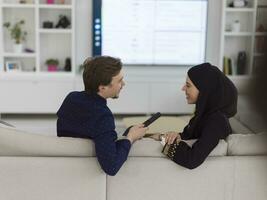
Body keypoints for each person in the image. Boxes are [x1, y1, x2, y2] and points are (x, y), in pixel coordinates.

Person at [57, 56, 148, 176]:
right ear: (102, 87)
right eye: (120, 81)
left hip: (66, 165)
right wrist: (130, 138)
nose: (124, 84)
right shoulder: (103, 116)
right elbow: (111, 167)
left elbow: (92, 131)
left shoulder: (71, 97)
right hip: (86, 174)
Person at [160, 63, 238, 169]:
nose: (183, 88)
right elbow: (188, 136)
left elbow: (191, 160)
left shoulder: (216, 121)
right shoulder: (205, 116)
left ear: (204, 90)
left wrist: (165, 142)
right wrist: (177, 136)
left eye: (188, 85)